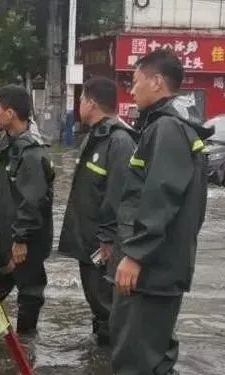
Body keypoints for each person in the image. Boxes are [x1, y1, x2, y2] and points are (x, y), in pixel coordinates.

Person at [110, 49, 213, 375]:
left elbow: (161, 197)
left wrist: (135, 255)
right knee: (153, 359)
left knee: (138, 363)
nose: (132, 91)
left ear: (156, 82)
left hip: (153, 270)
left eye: (136, 82)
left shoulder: (167, 128)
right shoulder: (171, 127)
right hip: (163, 267)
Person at [57, 77, 138, 347]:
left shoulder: (119, 141)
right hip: (88, 239)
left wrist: (107, 239)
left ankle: (110, 362)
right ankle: (99, 359)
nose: (79, 105)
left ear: (91, 104)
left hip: (103, 245)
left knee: (106, 302)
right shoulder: (95, 137)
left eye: (80, 100)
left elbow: (118, 195)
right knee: (96, 300)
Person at [0, 85, 55, 344]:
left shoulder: (32, 152)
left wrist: (21, 239)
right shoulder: (5, 142)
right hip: (3, 235)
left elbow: (33, 200)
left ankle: (26, 344)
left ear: (11, 113)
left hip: (24, 241)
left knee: (29, 291)